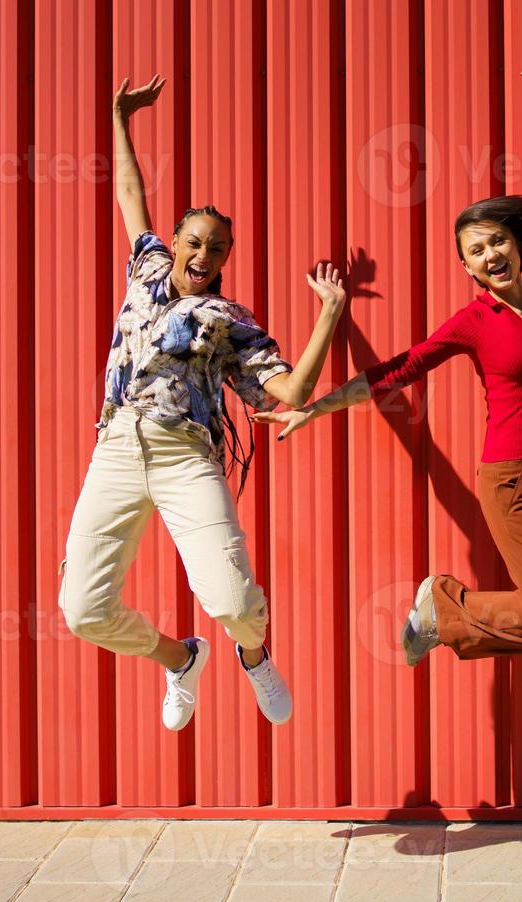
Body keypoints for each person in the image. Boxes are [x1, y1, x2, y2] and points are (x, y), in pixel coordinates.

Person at [255, 66, 522, 666]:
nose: (490, 254)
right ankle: (442, 604)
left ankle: (446, 617)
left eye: (497, 241)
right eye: (476, 250)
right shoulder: (472, 322)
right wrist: (315, 405)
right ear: (466, 267)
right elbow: (401, 369)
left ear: (518, 247)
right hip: (513, 479)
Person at [59, 75, 345, 729]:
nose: (203, 252)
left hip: (186, 455)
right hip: (117, 447)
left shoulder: (229, 321)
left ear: (223, 260)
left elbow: (293, 390)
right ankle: (180, 658)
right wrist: (119, 122)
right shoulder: (149, 269)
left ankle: (253, 655)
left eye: (216, 247)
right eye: (194, 240)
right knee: (83, 610)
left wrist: (329, 315)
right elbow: (131, 195)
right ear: (175, 243)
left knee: (234, 600)